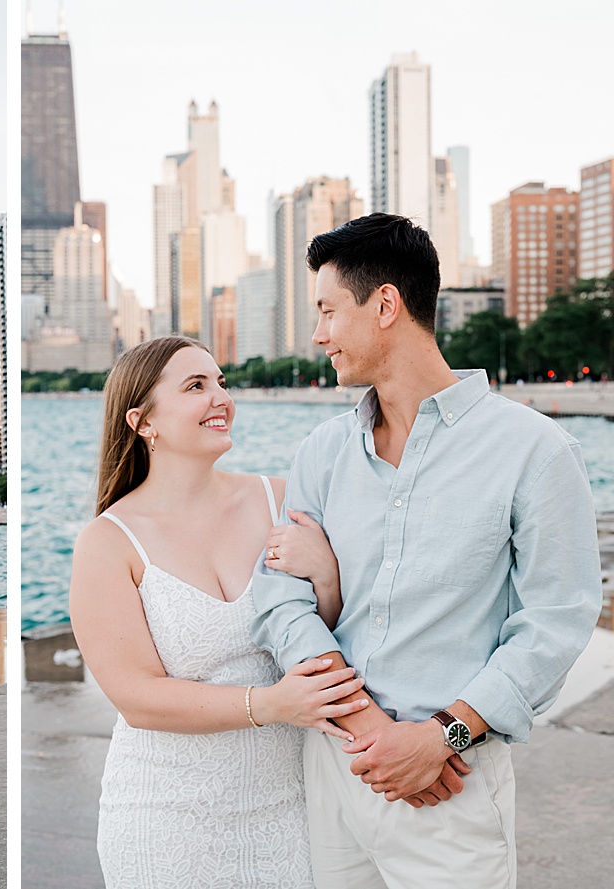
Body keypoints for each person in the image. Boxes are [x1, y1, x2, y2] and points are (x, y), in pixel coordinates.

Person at [251, 213, 603, 888]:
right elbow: (278, 595)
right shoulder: (322, 451)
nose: (318, 334)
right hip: (335, 765)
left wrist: (440, 735)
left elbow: (556, 622)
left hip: (450, 782)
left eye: (327, 311)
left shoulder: (535, 450)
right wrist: (364, 724)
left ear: (386, 304)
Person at [69, 336, 370, 888]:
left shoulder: (281, 499)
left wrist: (326, 576)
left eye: (221, 383)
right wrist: (274, 703)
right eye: (195, 386)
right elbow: (137, 698)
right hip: (164, 821)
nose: (221, 398)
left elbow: (334, 633)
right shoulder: (108, 542)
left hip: (291, 812)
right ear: (143, 422)